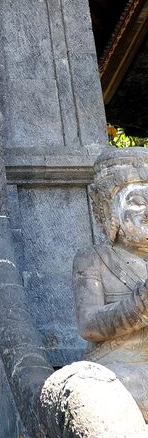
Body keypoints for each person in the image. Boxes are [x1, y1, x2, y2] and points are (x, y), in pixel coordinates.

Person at [74, 147, 148, 420]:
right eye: (138, 202)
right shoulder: (94, 258)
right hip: (118, 366)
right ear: (110, 210)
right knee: (100, 392)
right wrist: (139, 306)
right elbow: (89, 325)